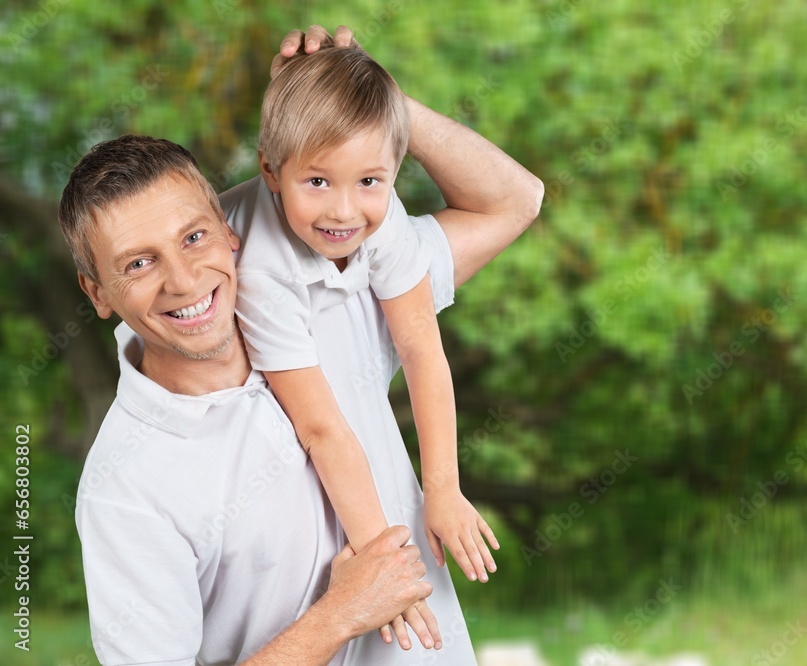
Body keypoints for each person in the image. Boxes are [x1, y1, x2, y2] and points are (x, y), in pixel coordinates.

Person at [63, 24, 543, 664]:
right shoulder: (127, 488)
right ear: (97, 293)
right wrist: (339, 615)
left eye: (194, 238)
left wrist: (357, 97)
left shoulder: (340, 281)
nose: (183, 281)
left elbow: (514, 201)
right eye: (137, 264)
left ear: (230, 232)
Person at [233, 42, 498, 654]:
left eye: (369, 182)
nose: (344, 209)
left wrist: (445, 487)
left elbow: (421, 349)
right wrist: (384, 570)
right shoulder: (263, 267)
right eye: (317, 181)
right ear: (271, 171)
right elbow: (322, 428)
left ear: (392, 173)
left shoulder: (378, 211)